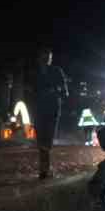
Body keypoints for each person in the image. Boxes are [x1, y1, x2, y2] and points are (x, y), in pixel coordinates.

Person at [33, 48, 69, 179]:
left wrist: (54, 90)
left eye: (48, 57)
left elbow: (65, 92)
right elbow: (30, 90)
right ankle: (44, 168)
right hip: (38, 109)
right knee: (41, 139)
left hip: (52, 109)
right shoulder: (34, 73)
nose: (46, 59)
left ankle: (44, 169)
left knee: (47, 139)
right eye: (44, 56)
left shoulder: (56, 71)